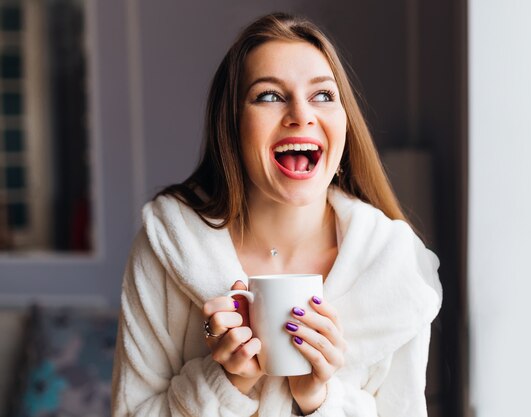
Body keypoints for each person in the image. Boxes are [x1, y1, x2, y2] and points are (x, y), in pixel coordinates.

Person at [112, 12, 442, 417]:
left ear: (345, 125)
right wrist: (226, 383)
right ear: (231, 129)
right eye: (269, 95)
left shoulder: (393, 268)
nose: (301, 115)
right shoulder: (168, 245)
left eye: (323, 95)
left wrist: (319, 399)